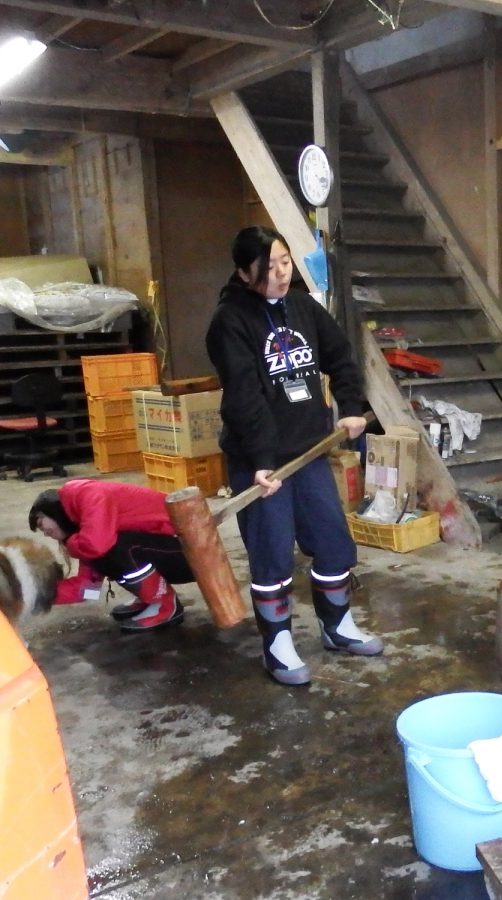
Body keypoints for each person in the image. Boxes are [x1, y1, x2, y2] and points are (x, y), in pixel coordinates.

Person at [205, 225, 382, 687]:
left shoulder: (302, 307)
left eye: (285, 262)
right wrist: (262, 459)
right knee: (271, 553)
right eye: (269, 268)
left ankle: (337, 626)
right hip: (261, 464)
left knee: (332, 541)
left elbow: (340, 355)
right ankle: (278, 644)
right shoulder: (229, 323)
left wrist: (350, 406)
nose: (281, 273)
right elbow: (244, 397)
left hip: (308, 453)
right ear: (244, 273)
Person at [28, 479, 192, 632]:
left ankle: (164, 605)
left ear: (50, 509)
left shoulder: (87, 494)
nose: (46, 533)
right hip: (172, 552)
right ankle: (149, 597)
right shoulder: (83, 531)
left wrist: (71, 544)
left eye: (41, 523)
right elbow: (88, 589)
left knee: (116, 548)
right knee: (103, 555)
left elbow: (96, 545)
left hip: (191, 551)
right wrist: (35, 594)